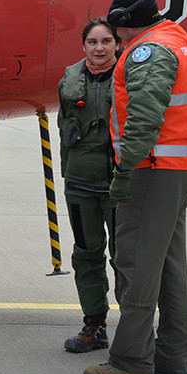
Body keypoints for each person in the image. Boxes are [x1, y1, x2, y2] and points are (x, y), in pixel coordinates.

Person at [83, 0, 187, 374]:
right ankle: (172, 354)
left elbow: (144, 119)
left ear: (124, 24)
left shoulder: (147, 51)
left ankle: (132, 360)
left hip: (151, 171)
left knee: (135, 265)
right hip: (178, 170)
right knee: (169, 265)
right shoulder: (177, 38)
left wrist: (123, 173)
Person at [57, 18, 121, 353]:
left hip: (119, 185)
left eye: (106, 41)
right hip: (81, 186)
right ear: (84, 45)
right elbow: (63, 133)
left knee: (125, 258)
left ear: (116, 44)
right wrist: (69, 177)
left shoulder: (129, 76)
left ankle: (133, 330)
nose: (99, 48)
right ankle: (94, 324)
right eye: (93, 42)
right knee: (86, 255)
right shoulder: (69, 81)